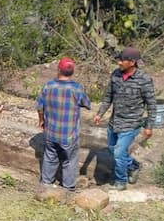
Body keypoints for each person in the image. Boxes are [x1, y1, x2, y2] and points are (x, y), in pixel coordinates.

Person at [93, 46, 156, 190]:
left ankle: (120, 182)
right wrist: (100, 113)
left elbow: (152, 105)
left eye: (123, 60)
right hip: (114, 123)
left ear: (132, 62)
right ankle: (134, 165)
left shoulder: (144, 80)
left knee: (118, 153)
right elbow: (108, 97)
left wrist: (149, 127)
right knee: (112, 149)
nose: (119, 63)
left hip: (131, 124)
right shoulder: (115, 75)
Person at [36, 57, 92, 192]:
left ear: (59, 69)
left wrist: (41, 120)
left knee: (50, 157)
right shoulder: (77, 89)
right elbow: (88, 104)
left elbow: (39, 107)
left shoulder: (48, 86)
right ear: (72, 72)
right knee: (70, 160)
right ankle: (68, 188)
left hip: (51, 132)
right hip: (69, 134)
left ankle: (46, 184)